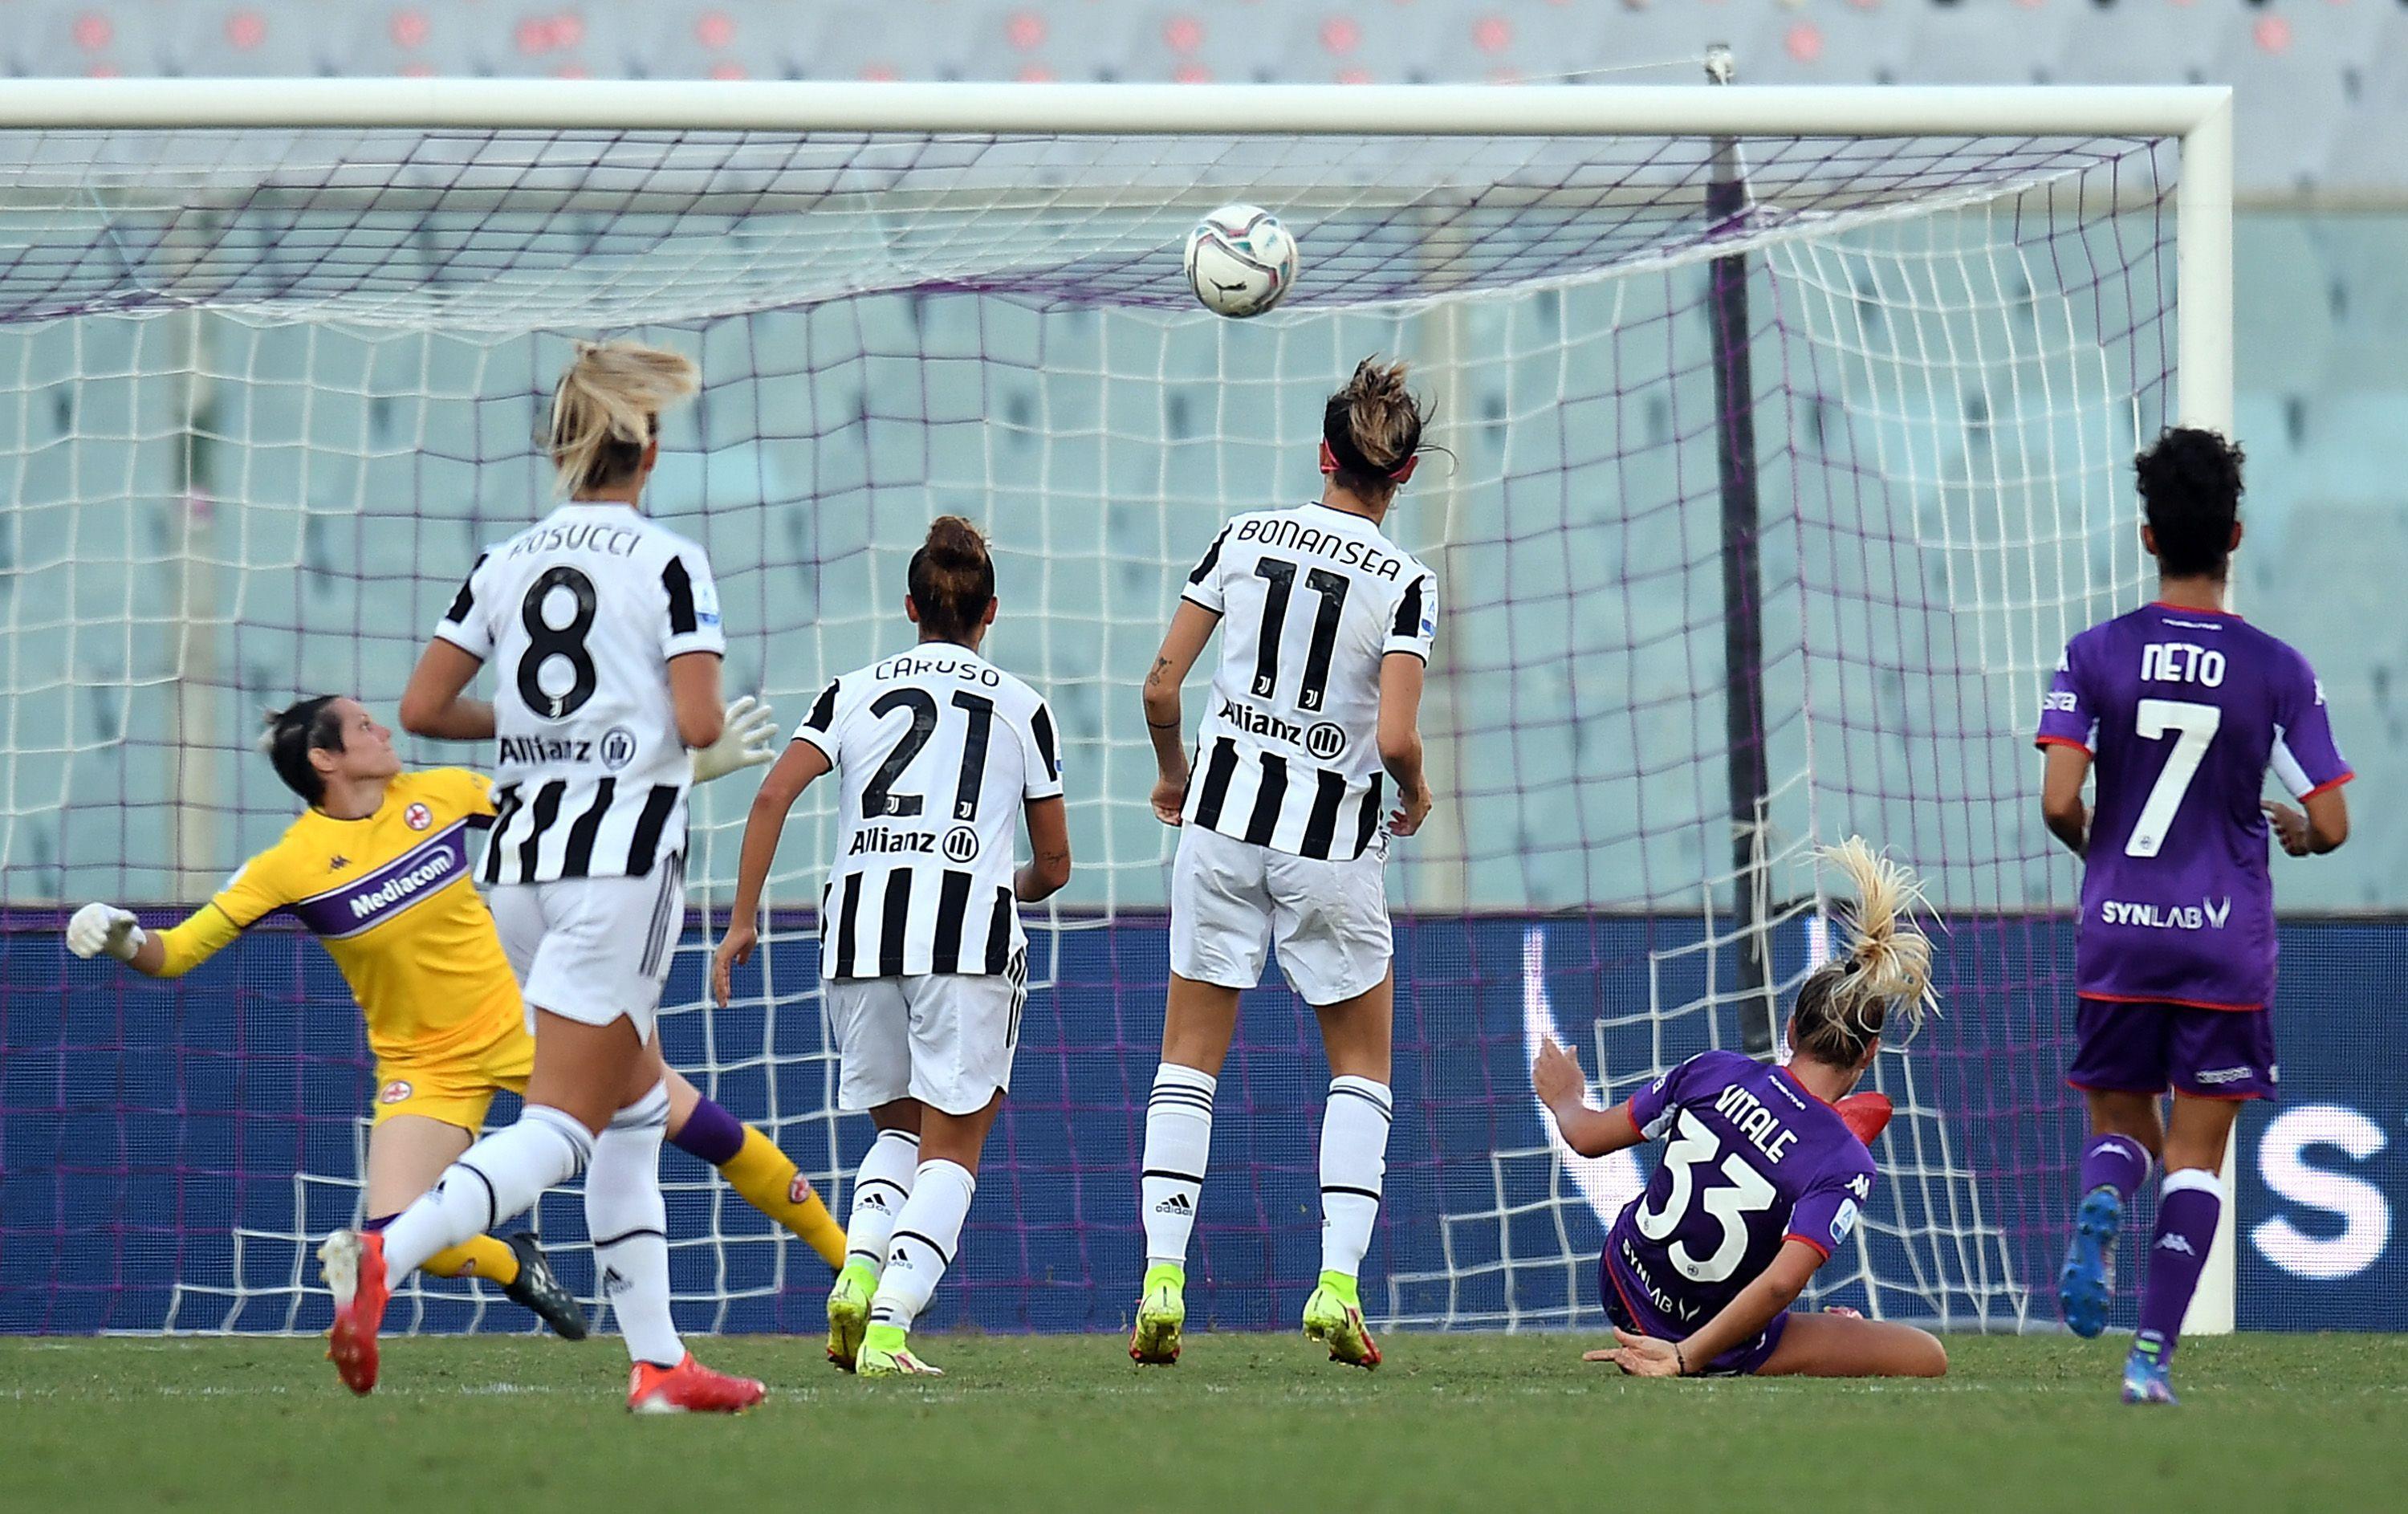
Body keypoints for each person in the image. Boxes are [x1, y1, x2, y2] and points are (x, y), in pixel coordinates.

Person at [65, 691, 849, 1344]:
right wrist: (124, 936)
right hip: (423, 1067)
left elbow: (570, 805)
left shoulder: (437, 794)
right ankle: (518, 1268)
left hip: (527, 1028)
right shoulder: (287, 864)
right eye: (364, 726)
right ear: (325, 761)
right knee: (397, 1234)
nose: (383, 729)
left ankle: (851, 1266)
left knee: (701, 1127)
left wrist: (689, 767)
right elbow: (174, 951)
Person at [311, 339, 763, 1411]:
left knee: (636, 1109)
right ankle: (391, 1250)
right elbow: (698, 721)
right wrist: (630, 725)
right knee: (564, 1122)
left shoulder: (507, 557)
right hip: (619, 859)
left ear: (566, 450)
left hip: (515, 864)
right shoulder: (668, 560)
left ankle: (657, 1363)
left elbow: (421, 708)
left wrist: (537, 723)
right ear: (645, 448)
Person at [1129, 357, 1439, 1370]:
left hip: (1220, 825)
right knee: (1360, 1066)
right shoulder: (1404, 580)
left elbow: (1161, 686)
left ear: (1323, 456)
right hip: (1327, 846)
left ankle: (1163, 1275)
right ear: (1398, 479)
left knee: (1189, 1056)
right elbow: (1394, 741)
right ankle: (1337, 1286)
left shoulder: (1244, 533)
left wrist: (1175, 776)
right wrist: (1417, 793)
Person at [713, 515, 1071, 1378]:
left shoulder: (849, 690)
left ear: (909, 604)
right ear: (992, 615)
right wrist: (1002, 881)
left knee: (898, 1135)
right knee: (954, 1149)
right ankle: (888, 1321)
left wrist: (742, 920)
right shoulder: (1022, 705)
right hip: (965, 937)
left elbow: (770, 797)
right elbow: (1054, 864)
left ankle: (859, 1270)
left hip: (858, 933)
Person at [2036, 427, 2350, 1405]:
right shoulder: (2277, 670)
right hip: (2223, 941)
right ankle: (2150, 1360)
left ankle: (2102, 1193)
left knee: (2122, 1123)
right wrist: (2297, 832)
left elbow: (2056, 799)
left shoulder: (2093, 654)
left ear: (2146, 537)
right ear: (2237, 536)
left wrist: (2108, 856)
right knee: (2198, 1151)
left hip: (2119, 929)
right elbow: (2333, 819)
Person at [1534, 837, 1949, 1381]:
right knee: (1926, 1355)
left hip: (1621, 1286)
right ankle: (1805, 1328)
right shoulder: (1846, 1163)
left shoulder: (1713, 1069)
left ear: (1792, 1029)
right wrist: (1684, 1357)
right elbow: (1781, 1284)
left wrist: (1566, 1099)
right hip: (1696, 1337)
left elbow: (1587, 1138)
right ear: (1870, 1053)